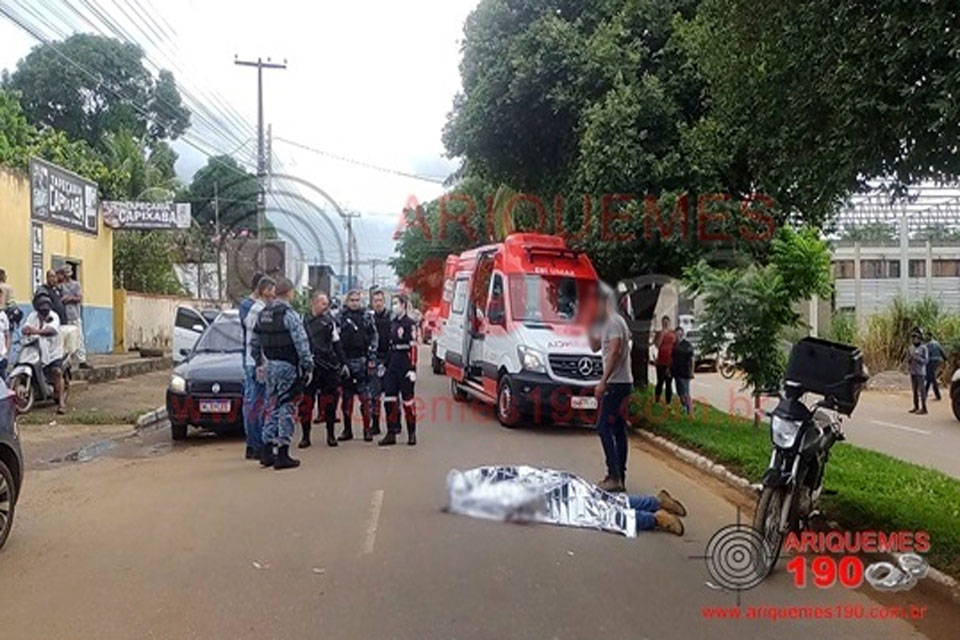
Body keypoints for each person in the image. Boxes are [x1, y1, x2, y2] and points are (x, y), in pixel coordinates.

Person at [252, 277, 313, 470]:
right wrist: (308, 365)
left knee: (271, 406)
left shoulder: (263, 314)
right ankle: (283, 453)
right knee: (287, 406)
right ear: (289, 293)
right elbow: (301, 343)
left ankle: (267, 450)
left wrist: (260, 364)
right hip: (287, 366)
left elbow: (255, 342)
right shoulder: (289, 314)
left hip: (269, 365)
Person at [589, 284, 634, 493]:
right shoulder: (609, 323)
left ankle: (615, 475)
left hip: (616, 384)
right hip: (620, 383)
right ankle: (619, 476)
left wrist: (603, 381)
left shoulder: (614, 322)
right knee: (617, 428)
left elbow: (615, 351)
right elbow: (595, 347)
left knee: (604, 427)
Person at [299, 293, 347, 448]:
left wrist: (343, 363)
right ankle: (305, 436)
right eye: (323, 304)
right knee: (306, 403)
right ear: (315, 303)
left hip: (328, 366)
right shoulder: (302, 321)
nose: (326, 307)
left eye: (327, 304)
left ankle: (331, 435)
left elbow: (337, 343)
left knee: (330, 402)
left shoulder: (329, 322)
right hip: (310, 366)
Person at [240, 274, 275, 460]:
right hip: (257, 364)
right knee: (257, 405)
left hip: (254, 362)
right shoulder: (258, 311)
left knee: (255, 403)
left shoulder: (255, 309)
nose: (274, 296)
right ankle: (256, 444)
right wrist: (260, 364)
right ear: (265, 291)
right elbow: (256, 340)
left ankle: (253, 445)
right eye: (272, 292)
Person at [378, 293, 419, 446]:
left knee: (408, 401)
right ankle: (391, 432)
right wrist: (385, 364)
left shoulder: (410, 323)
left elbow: (413, 348)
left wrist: (413, 368)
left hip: (405, 365)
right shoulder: (392, 322)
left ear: (403, 305)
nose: (394, 306)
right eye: (393, 303)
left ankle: (412, 433)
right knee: (389, 400)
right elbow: (390, 346)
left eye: (396, 303)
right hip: (392, 365)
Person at [338, 289, 378, 441]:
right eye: (352, 300)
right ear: (347, 301)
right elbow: (334, 340)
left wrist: (371, 358)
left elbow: (374, 336)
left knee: (365, 399)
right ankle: (347, 430)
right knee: (346, 400)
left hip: (362, 360)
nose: (355, 303)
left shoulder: (366, 316)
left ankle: (367, 430)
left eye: (357, 300)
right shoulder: (340, 317)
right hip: (346, 361)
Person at [22, 294, 66, 414]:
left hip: (53, 351)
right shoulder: (32, 316)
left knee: (56, 372)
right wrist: (25, 329)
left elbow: (52, 330)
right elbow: (26, 326)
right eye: (41, 309)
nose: (44, 312)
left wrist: (36, 331)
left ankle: (61, 403)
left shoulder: (54, 316)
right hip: (37, 349)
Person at [58, 265, 91, 370]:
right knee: (65, 340)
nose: (66, 276)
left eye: (68, 274)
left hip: (74, 315)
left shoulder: (76, 285)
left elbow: (79, 298)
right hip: (64, 317)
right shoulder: (60, 286)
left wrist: (70, 298)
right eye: (64, 274)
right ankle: (67, 361)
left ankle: (82, 360)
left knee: (79, 338)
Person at [369, 289, 392, 439]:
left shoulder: (392, 318)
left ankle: (394, 425)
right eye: (375, 301)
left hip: (390, 359)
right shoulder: (368, 319)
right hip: (375, 359)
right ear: (372, 303)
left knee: (392, 395)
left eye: (380, 300)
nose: (378, 303)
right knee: (374, 395)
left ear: (384, 302)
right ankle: (375, 425)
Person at [671, 327, 695, 414]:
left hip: (685, 372)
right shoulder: (674, 346)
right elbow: (672, 359)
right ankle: (683, 407)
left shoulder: (687, 345)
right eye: (676, 334)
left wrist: (692, 371)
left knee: (686, 392)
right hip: (676, 372)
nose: (678, 336)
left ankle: (690, 410)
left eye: (680, 334)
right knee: (679, 392)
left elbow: (692, 359)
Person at [653, 315, 675, 404]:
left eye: (667, 322)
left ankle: (668, 402)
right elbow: (657, 345)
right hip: (661, 362)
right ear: (662, 323)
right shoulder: (659, 333)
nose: (665, 324)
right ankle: (657, 399)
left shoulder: (672, 334)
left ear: (669, 323)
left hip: (670, 362)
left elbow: (675, 346)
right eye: (664, 322)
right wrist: (662, 334)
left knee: (669, 383)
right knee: (660, 381)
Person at [907, 328, 928, 415]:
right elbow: (907, 359)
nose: (914, 339)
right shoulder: (910, 348)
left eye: (916, 337)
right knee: (914, 390)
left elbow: (926, 361)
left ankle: (924, 407)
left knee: (922, 391)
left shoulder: (923, 348)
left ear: (919, 338)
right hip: (913, 372)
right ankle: (916, 406)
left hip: (921, 373)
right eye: (913, 338)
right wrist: (909, 360)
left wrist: (917, 358)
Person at [925, 331, 946, 402]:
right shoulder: (937, 343)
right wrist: (945, 359)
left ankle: (938, 395)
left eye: (927, 336)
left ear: (929, 336)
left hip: (931, 361)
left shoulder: (927, 345)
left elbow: (926, 354)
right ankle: (925, 393)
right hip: (937, 361)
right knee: (929, 376)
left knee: (932, 378)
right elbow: (942, 351)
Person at [0, 304, 10, 381]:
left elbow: (7, 336)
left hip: (1, 357)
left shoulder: (3, 316)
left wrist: (6, 353)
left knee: (3, 382)